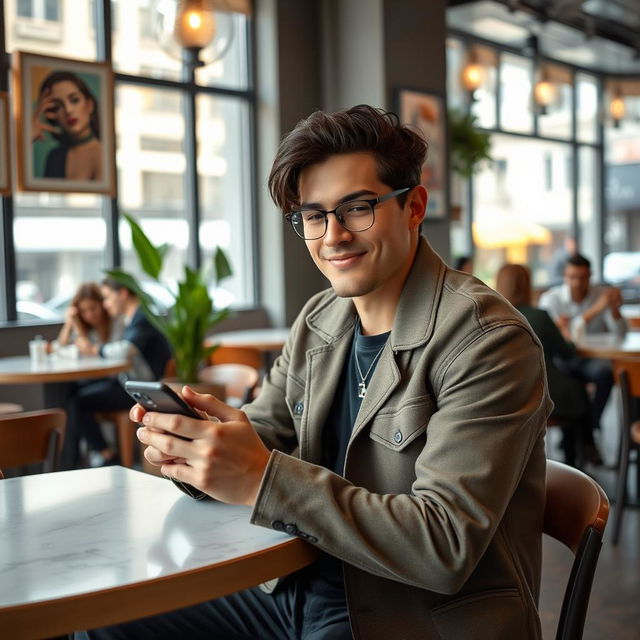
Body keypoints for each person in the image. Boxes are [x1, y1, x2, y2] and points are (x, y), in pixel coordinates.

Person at [79, 105, 551, 640]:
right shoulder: (320, 318)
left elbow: (444, 546)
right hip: (296, 587)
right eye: (313, 215)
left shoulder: (488, 342)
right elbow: (266, 429)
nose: (333, 236)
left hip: (407, 616)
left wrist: (260, 477)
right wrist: (200, 448)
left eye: (357, 208)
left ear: (414, 206)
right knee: (102, 622)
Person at [495, 264, 601, 466]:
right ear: (527, 286)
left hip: (505, 396)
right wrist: (564, 332)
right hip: (543, 394)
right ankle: (577, 462)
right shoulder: (539, 316)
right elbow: (567, 352)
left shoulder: (490, 316)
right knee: (576, 391)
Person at [61, 277, 171, 469]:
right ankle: (78, 459)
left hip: (139, 388)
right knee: (72, 391)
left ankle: (104, 455)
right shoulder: (134, 318)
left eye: (107, 297)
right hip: (129, 382)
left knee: (78, 402)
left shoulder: (142, 318)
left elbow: (125, 350)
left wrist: (93, 349)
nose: (105, 304)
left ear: (123, 293)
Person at [539, 253, 626, 432]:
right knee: (568, 378)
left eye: (583, 277)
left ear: (590, 276)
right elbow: (562, 339)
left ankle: (590, 426)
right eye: (572, 277)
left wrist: (615, 311)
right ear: (565, 277)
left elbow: (621, 334)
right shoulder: (551, 299)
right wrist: (595, 311)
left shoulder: (602, 294)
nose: (577, 283)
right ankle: (584, 435)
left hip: (593, 359)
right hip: (564, 359)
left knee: (605, 373)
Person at [32, 70, 102, 180]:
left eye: (74, 100)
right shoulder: (54, 157)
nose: (68, 110)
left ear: (89, 105)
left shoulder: (103, 153)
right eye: (58, 106)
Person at [55, 282, 120, 349]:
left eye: (93, 308)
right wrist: (69, 323)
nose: (90, 315)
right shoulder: (85, 327)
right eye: (83, 311)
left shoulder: (115, 321)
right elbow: (60, 346)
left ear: (102, 303)